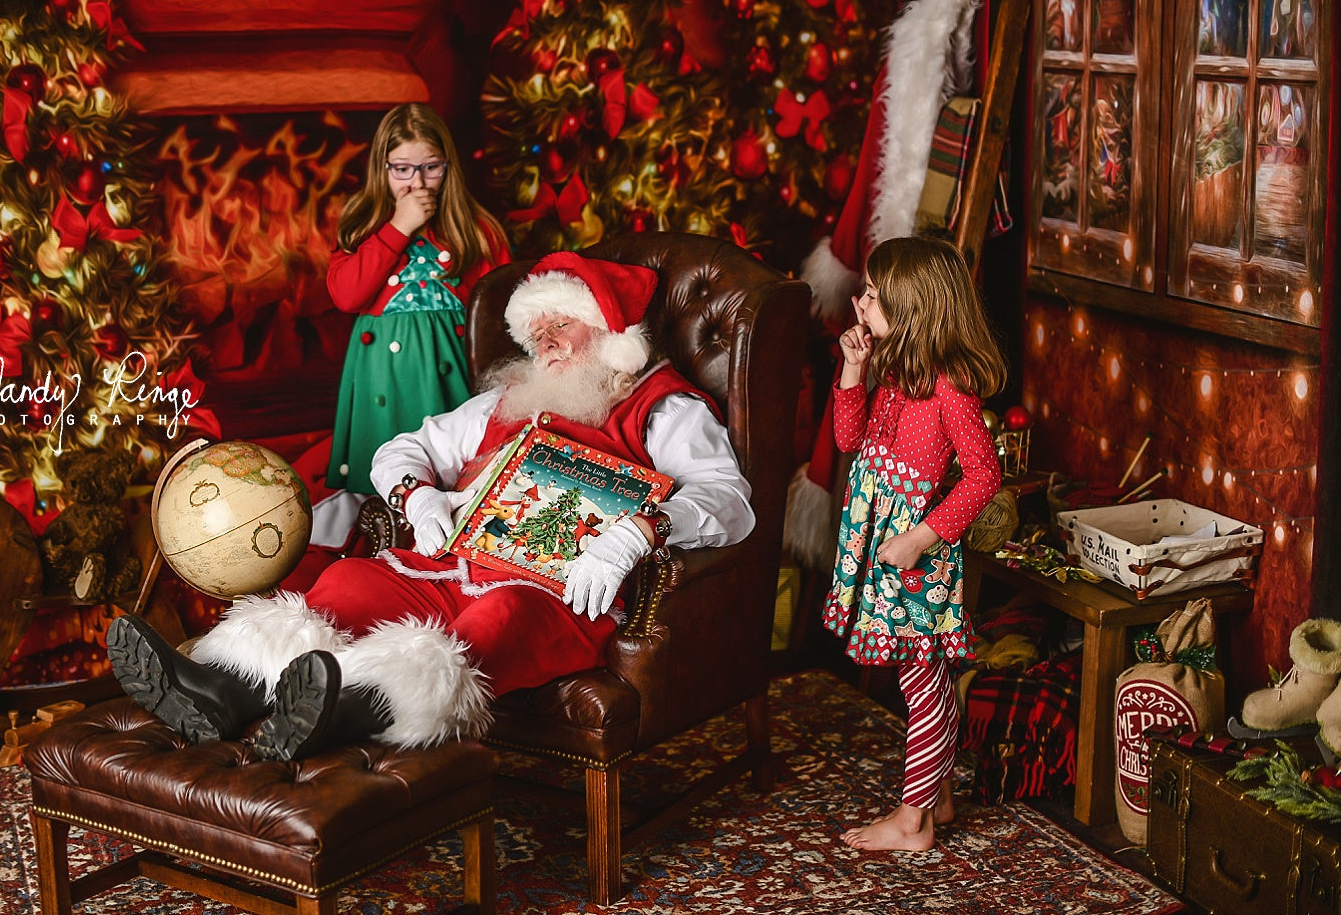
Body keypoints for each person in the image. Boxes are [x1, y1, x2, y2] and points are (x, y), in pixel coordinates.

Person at [108, 252, 755, 762]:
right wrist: (419, 496)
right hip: (445, 570)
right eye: (538, 329)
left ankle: (336, 714)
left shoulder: (664, 408)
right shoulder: (509, 400)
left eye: (564, 322)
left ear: (614, 332)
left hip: (553, 593)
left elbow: (729, 501)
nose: (547, 341)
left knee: (495, 618)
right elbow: (404, 448)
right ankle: (221, 690)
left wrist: (639, 532)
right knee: (346, 579)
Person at [819, 235, 1006, 852]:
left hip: (915, 550)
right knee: (918, 675)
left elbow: (984, 475)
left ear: (914, 309)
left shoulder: (950, 387)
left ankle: (912, 821)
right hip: (877, 536)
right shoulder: (896, 373)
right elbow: (849, 441)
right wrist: (852, 370)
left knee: (920, 679)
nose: (860, 301)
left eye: (874, 295)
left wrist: (923, 537)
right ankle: (940, 797)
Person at [311, 102, 510, 549]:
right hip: (384, 376)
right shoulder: (364, 225)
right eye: (402, 169)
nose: (416, 182)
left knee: (451, 465)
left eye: (430, 168)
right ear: (382, 168)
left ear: (448, 167)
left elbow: (499, 313)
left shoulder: (474, 230)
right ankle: (376, 549)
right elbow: (346, 295)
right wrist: (398, 227)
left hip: (449, 375)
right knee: (382, 467)